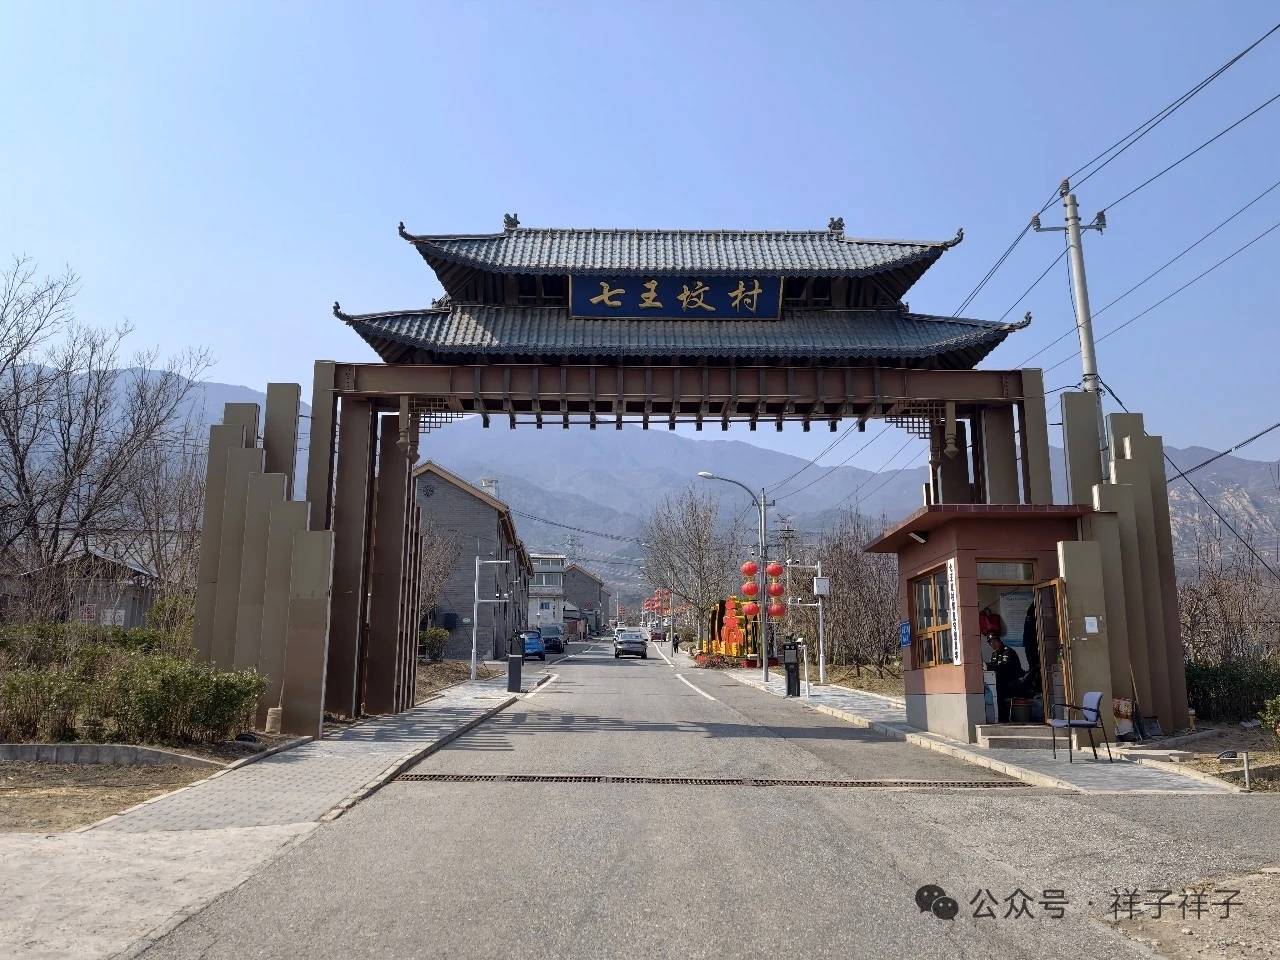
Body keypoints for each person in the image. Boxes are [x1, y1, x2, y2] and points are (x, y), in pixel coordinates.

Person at [985, 634, 1023, 723]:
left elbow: (1003, 667)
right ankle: (1000, 718)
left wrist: (990, 666)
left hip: (1011, 682)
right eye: (991, 643)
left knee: (1003, 699)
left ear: (999, 641)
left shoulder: (1008, 652)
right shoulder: (995, 653)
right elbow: (992, 665)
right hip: (1000, 682)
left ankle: (1005, 719)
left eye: (995, 642)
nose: (993, 645)